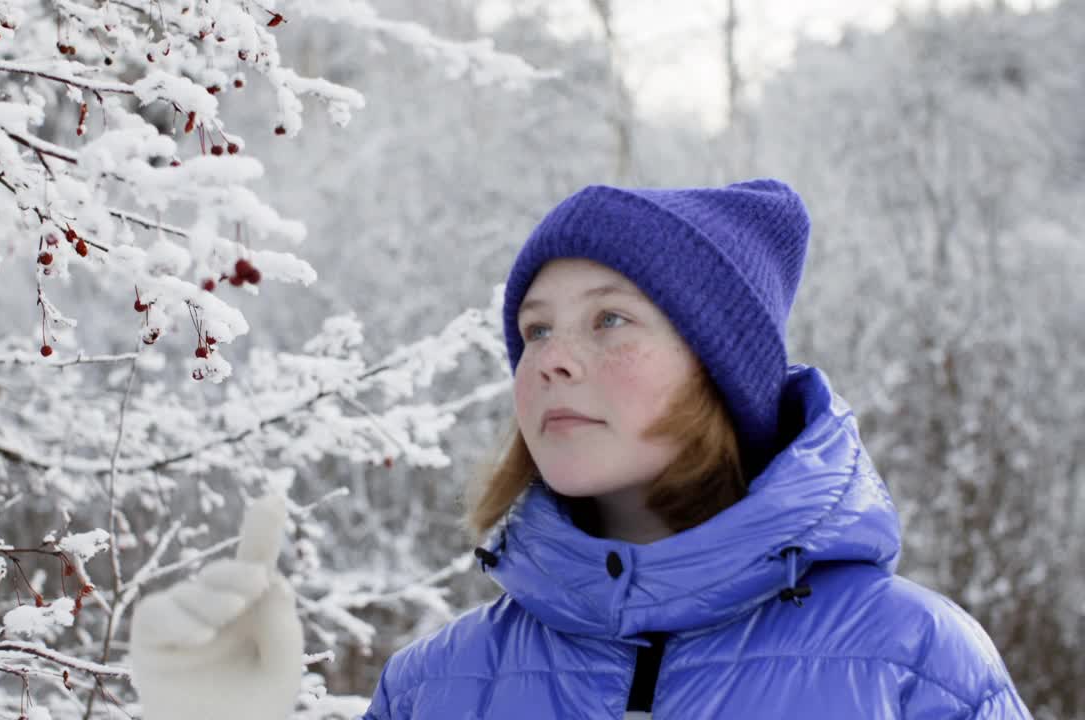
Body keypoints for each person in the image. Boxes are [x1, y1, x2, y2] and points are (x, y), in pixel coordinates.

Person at [129, 179, 1032, 720]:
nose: (551, 358)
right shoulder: (439, 688)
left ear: (721, 372)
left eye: (610, 319)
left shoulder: (913, 668)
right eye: (533, 330)